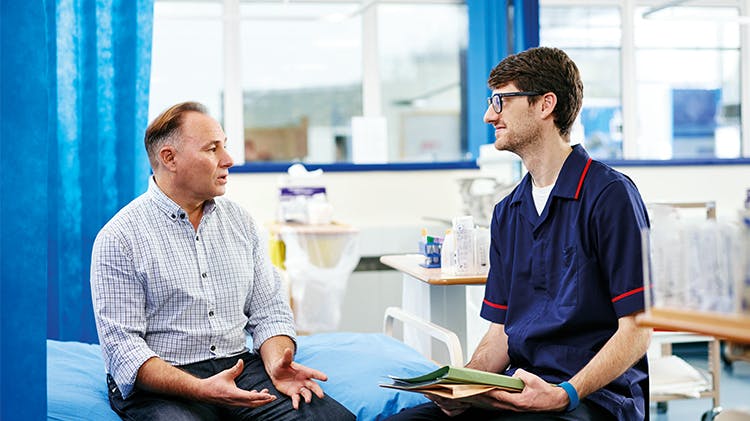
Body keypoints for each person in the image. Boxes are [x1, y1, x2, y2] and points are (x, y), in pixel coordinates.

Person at [387, 47, 652, 420]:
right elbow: (501, 336)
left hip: (592, 398)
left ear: (545, 105)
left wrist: (564, 394)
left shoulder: (609, 196)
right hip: (518, 389)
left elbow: (638, 329)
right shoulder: (508, 212)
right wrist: (462, 388)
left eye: (500, 100)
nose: (488, 115)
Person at [90, 101, 355, 421]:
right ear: (169, 158)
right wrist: (202, 389)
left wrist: (275, 363)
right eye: (212, 149)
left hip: (237, 366)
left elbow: (269, 311)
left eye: (225, 147)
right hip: (163, 381)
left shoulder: (241, 223)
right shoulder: (119, 238)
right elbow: (124, 351)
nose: (228, 160)